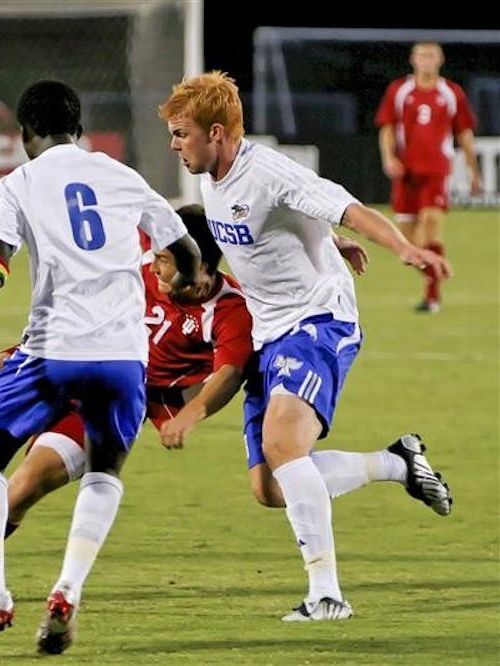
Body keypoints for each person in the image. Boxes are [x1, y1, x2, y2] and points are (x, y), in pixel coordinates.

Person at [0, 206, 452, 622]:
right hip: (67, 353)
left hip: (111, 402)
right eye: (155, 254)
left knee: (26, 484)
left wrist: (188, 415)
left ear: (195, 266)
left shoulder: (229, 313)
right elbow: (221, 223)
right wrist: (332, 244)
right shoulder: (155, 256)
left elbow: (225, 372)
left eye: (165, 259)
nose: (154, 264)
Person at [158, 70, 453, 622]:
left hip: (318, 318)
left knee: (284, 444)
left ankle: (327, 595)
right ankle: (397, 464)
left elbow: (347, 206)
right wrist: (327, 241)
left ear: (216, 132)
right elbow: (260, 231)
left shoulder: (267, 172)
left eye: (182, 134)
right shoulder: (209, 177)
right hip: (267, 327)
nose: (175, 145)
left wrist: (402, 247)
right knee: (271, 487)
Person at [0, 78, 203, 653]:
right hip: (126, 358)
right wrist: (180, 280)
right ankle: (67, 591)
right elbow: (187, 251)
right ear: (78, 129)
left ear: (25, 133)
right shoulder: (122, 176)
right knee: (104, 471)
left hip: (52, 350)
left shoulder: (17, 184)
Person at [375, 41, 481, 314]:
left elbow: (464, 134)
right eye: (421, 55)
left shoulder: (451, 93)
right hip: (405, 173)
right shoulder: (400, 90)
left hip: (436, 172)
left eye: (431, 55)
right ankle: (437, 272)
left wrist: (473, 172)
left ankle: (432, 297)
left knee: (432, 223)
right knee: (408, 245)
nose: (426, 60)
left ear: (440, 60)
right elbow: (387, 128)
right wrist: (389, 158)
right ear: (412, 60)